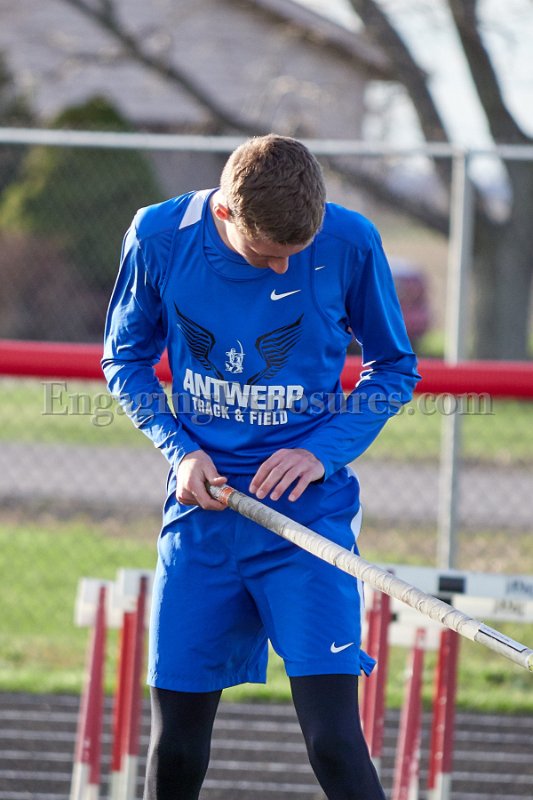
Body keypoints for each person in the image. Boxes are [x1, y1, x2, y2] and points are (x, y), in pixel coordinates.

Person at [102, 134, 419, 800]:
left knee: (334, 742)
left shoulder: (351, 241)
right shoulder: (159, 235)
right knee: (176, 747)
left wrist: (321, 451)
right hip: (203, 519)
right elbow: (124, 358)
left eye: (296, 253)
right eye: (266, 253)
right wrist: (179, 450)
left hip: (307, 523)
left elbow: (393, 367)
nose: (283, 268)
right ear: (224, 213)